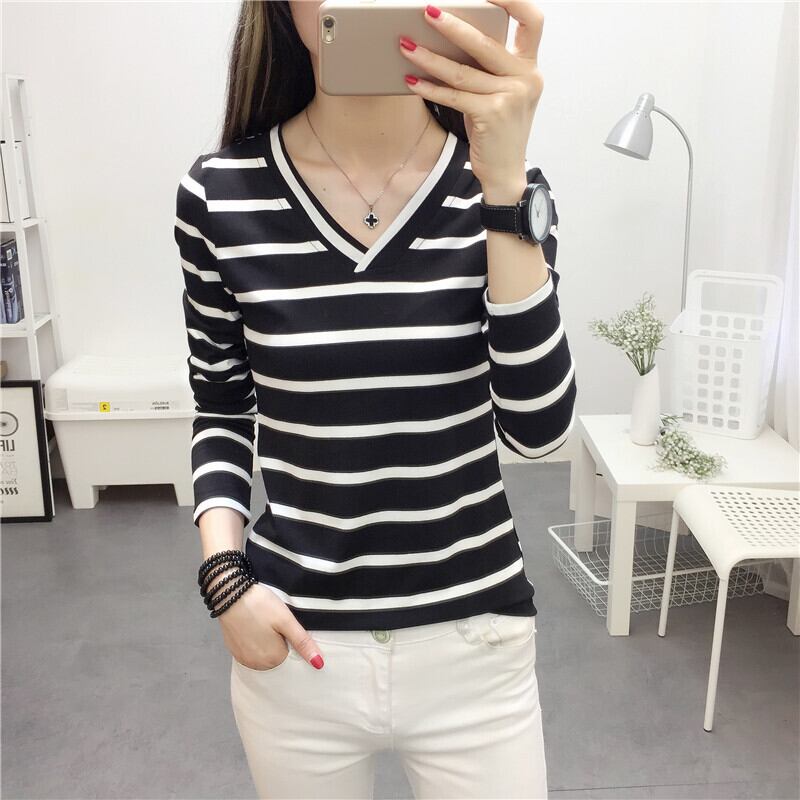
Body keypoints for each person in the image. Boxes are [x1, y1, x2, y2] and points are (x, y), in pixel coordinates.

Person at [174, 1, 577, 797]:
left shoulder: (503, 188)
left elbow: (538, 430)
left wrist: (504, 183)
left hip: (475, 643)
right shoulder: (218, 195)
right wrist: (225, 580)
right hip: (296, 646)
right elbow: (221, 408)